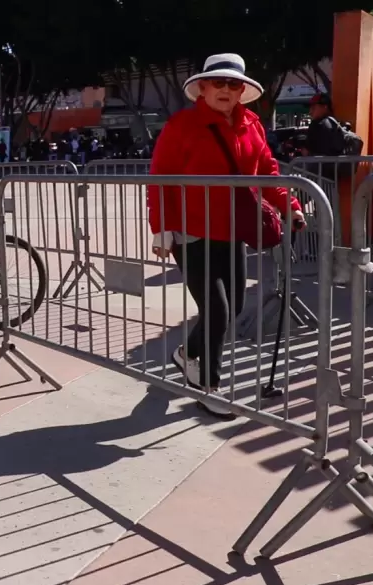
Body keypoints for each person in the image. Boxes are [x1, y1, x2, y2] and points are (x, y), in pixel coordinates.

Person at [148, 53, 306, 417]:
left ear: (242, 90)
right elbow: (158, 179)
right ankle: (209, 386)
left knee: (232, 306)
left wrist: (290, 205)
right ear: (201, 88)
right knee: (216, 308)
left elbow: (267, 171)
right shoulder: (180, 126)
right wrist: (161, 228)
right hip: (190, 232)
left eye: (233, 84)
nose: (225, 89)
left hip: (232, 229)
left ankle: (187, 354)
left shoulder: (252, 124)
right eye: (217, 82)